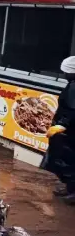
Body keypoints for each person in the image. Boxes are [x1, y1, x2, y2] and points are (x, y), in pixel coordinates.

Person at [42, 56, 75, 203]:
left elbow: (72, 110)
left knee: (69, 161)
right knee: (63, 160)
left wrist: (62, 124)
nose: (64, 74)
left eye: (66, 72)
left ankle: (73, 192)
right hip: (68, 131)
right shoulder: (72, 84)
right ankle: (69, 188)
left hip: (70, 131)